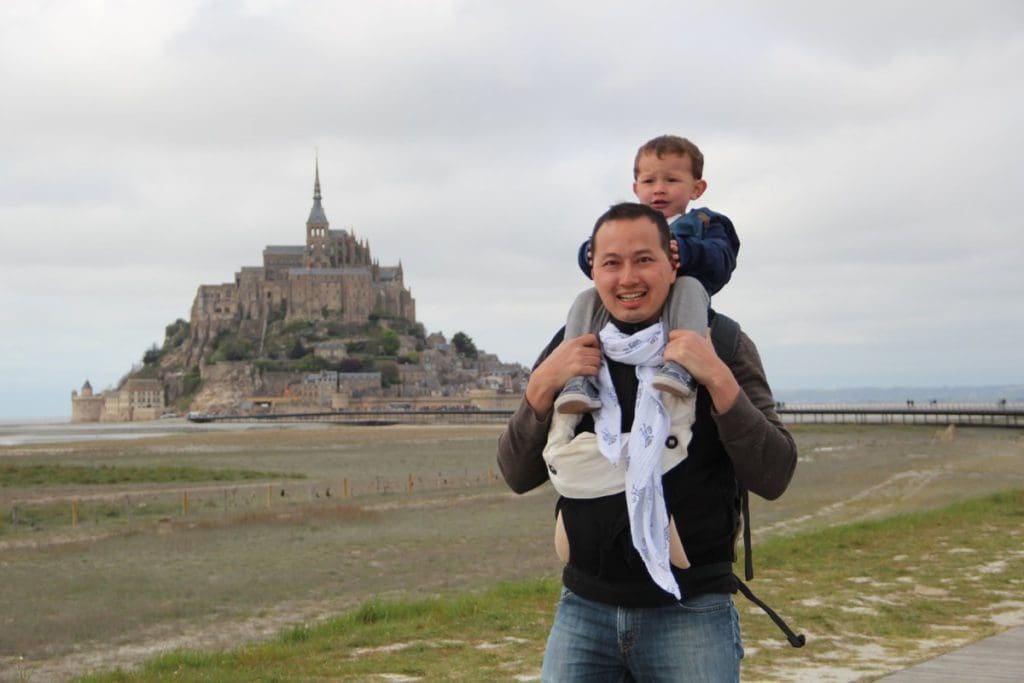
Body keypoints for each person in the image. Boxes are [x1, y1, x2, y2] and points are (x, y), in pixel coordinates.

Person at [497, 203, 798, 681]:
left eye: (644, 259)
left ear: (672, 263)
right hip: (583, 609)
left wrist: (717, 379)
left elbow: (775, 473)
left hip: (693, 609)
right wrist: (541, 386)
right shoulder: (572, 343)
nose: (627, 278)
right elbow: (517, 474)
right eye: (611, 263)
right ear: (592, 268)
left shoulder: (721, 341)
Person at [555, 135, 740, 414]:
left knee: (689, 284)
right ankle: (578, 378)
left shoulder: (705, 222)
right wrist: (588, 254)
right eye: (649, 182)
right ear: (636, 188)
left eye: (671, 180)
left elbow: (723, 260)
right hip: (628, 310)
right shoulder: (628, 223)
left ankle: (681, 367)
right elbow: (597, 254)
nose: (659, 190)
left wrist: (687, 253)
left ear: (697, 188)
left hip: (682, 308)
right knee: (586, 298)